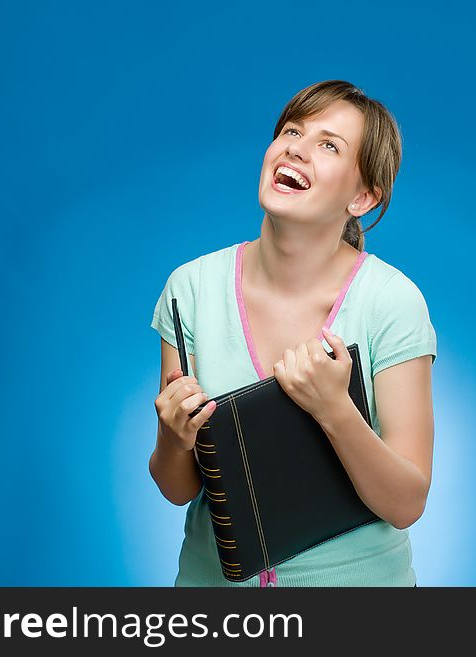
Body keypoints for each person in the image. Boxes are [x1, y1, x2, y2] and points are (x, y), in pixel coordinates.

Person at [149, 80, 437, 587]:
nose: (296, 148)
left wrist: (334, 409)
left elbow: (406, 502)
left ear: (363, 197)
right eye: (291, 131)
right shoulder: (188, 290)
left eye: (329, 145)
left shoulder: (391, 301)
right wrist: (174, 440)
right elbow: (177, 488)